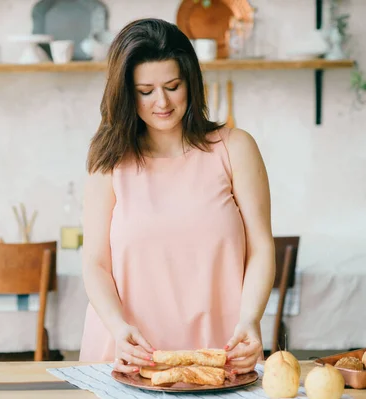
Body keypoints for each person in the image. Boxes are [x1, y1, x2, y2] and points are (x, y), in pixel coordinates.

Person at [78, 18, 275, 377]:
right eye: (145, 91)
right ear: (125, 93)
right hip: (127, 353)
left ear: (191, 82)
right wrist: (118, 329)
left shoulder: (235, 148)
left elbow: (261, 247)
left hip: (222, 352)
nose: (162, 102)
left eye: (172, 86)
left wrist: (251, 318)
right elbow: (95, 263)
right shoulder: (108, 160)